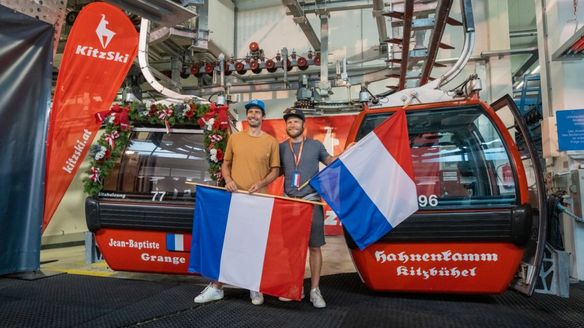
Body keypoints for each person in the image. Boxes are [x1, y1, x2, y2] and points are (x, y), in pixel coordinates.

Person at [194, 99, 280, 306]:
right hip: (234, 200)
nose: (253, 115)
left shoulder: (271, 142)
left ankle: (254, 287)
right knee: (228, 244)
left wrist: (261, 183)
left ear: (262, 116)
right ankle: (217, 287)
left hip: (259, 201)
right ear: (247, 115)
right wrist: (229, 180)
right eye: (250, 112)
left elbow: (275, 170)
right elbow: (226, 165)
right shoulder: (235, 139)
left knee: (254, 245)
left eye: (257, 112)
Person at [278, 108, 335, 309]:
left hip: (311, 202)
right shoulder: (281, 148)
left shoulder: (315, 145)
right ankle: (295, 287)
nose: (292, 125)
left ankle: (314, 290)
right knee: (292, 249)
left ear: (304, 125)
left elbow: (331, 162)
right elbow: (272, 171)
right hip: (289, 203)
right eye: (289, 122)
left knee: (314, 247)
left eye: (296, 121)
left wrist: (351, 153)